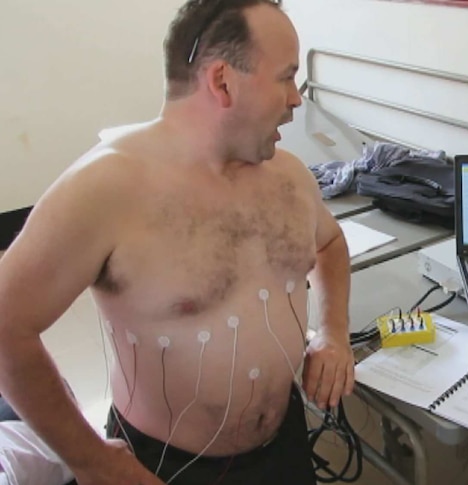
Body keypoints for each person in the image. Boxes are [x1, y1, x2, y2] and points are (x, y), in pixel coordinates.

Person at [0, 0, 354, 484]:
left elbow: (330, 244)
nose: (296, 98)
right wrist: (90, 460)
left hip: (282, 445)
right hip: (163, 467)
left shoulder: (288, 177)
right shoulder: (106, 189)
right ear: (223, 81)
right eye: (287, 77)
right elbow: (6, 325)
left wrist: (333, 333)